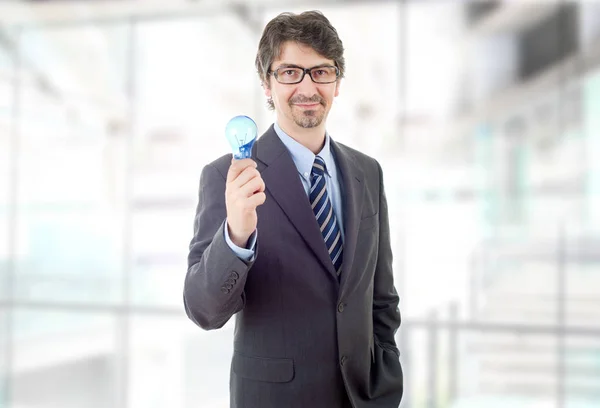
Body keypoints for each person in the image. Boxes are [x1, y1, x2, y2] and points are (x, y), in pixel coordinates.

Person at [184, 10, 403, 408]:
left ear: (337, 83)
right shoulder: (227, 177)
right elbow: (203, 310)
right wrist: (235, 235)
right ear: (267, 84)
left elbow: (381, 298)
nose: (307, 86)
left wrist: (386, 379)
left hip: (362, 397)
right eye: (289, 72)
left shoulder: (367, 172)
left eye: (321, 71)